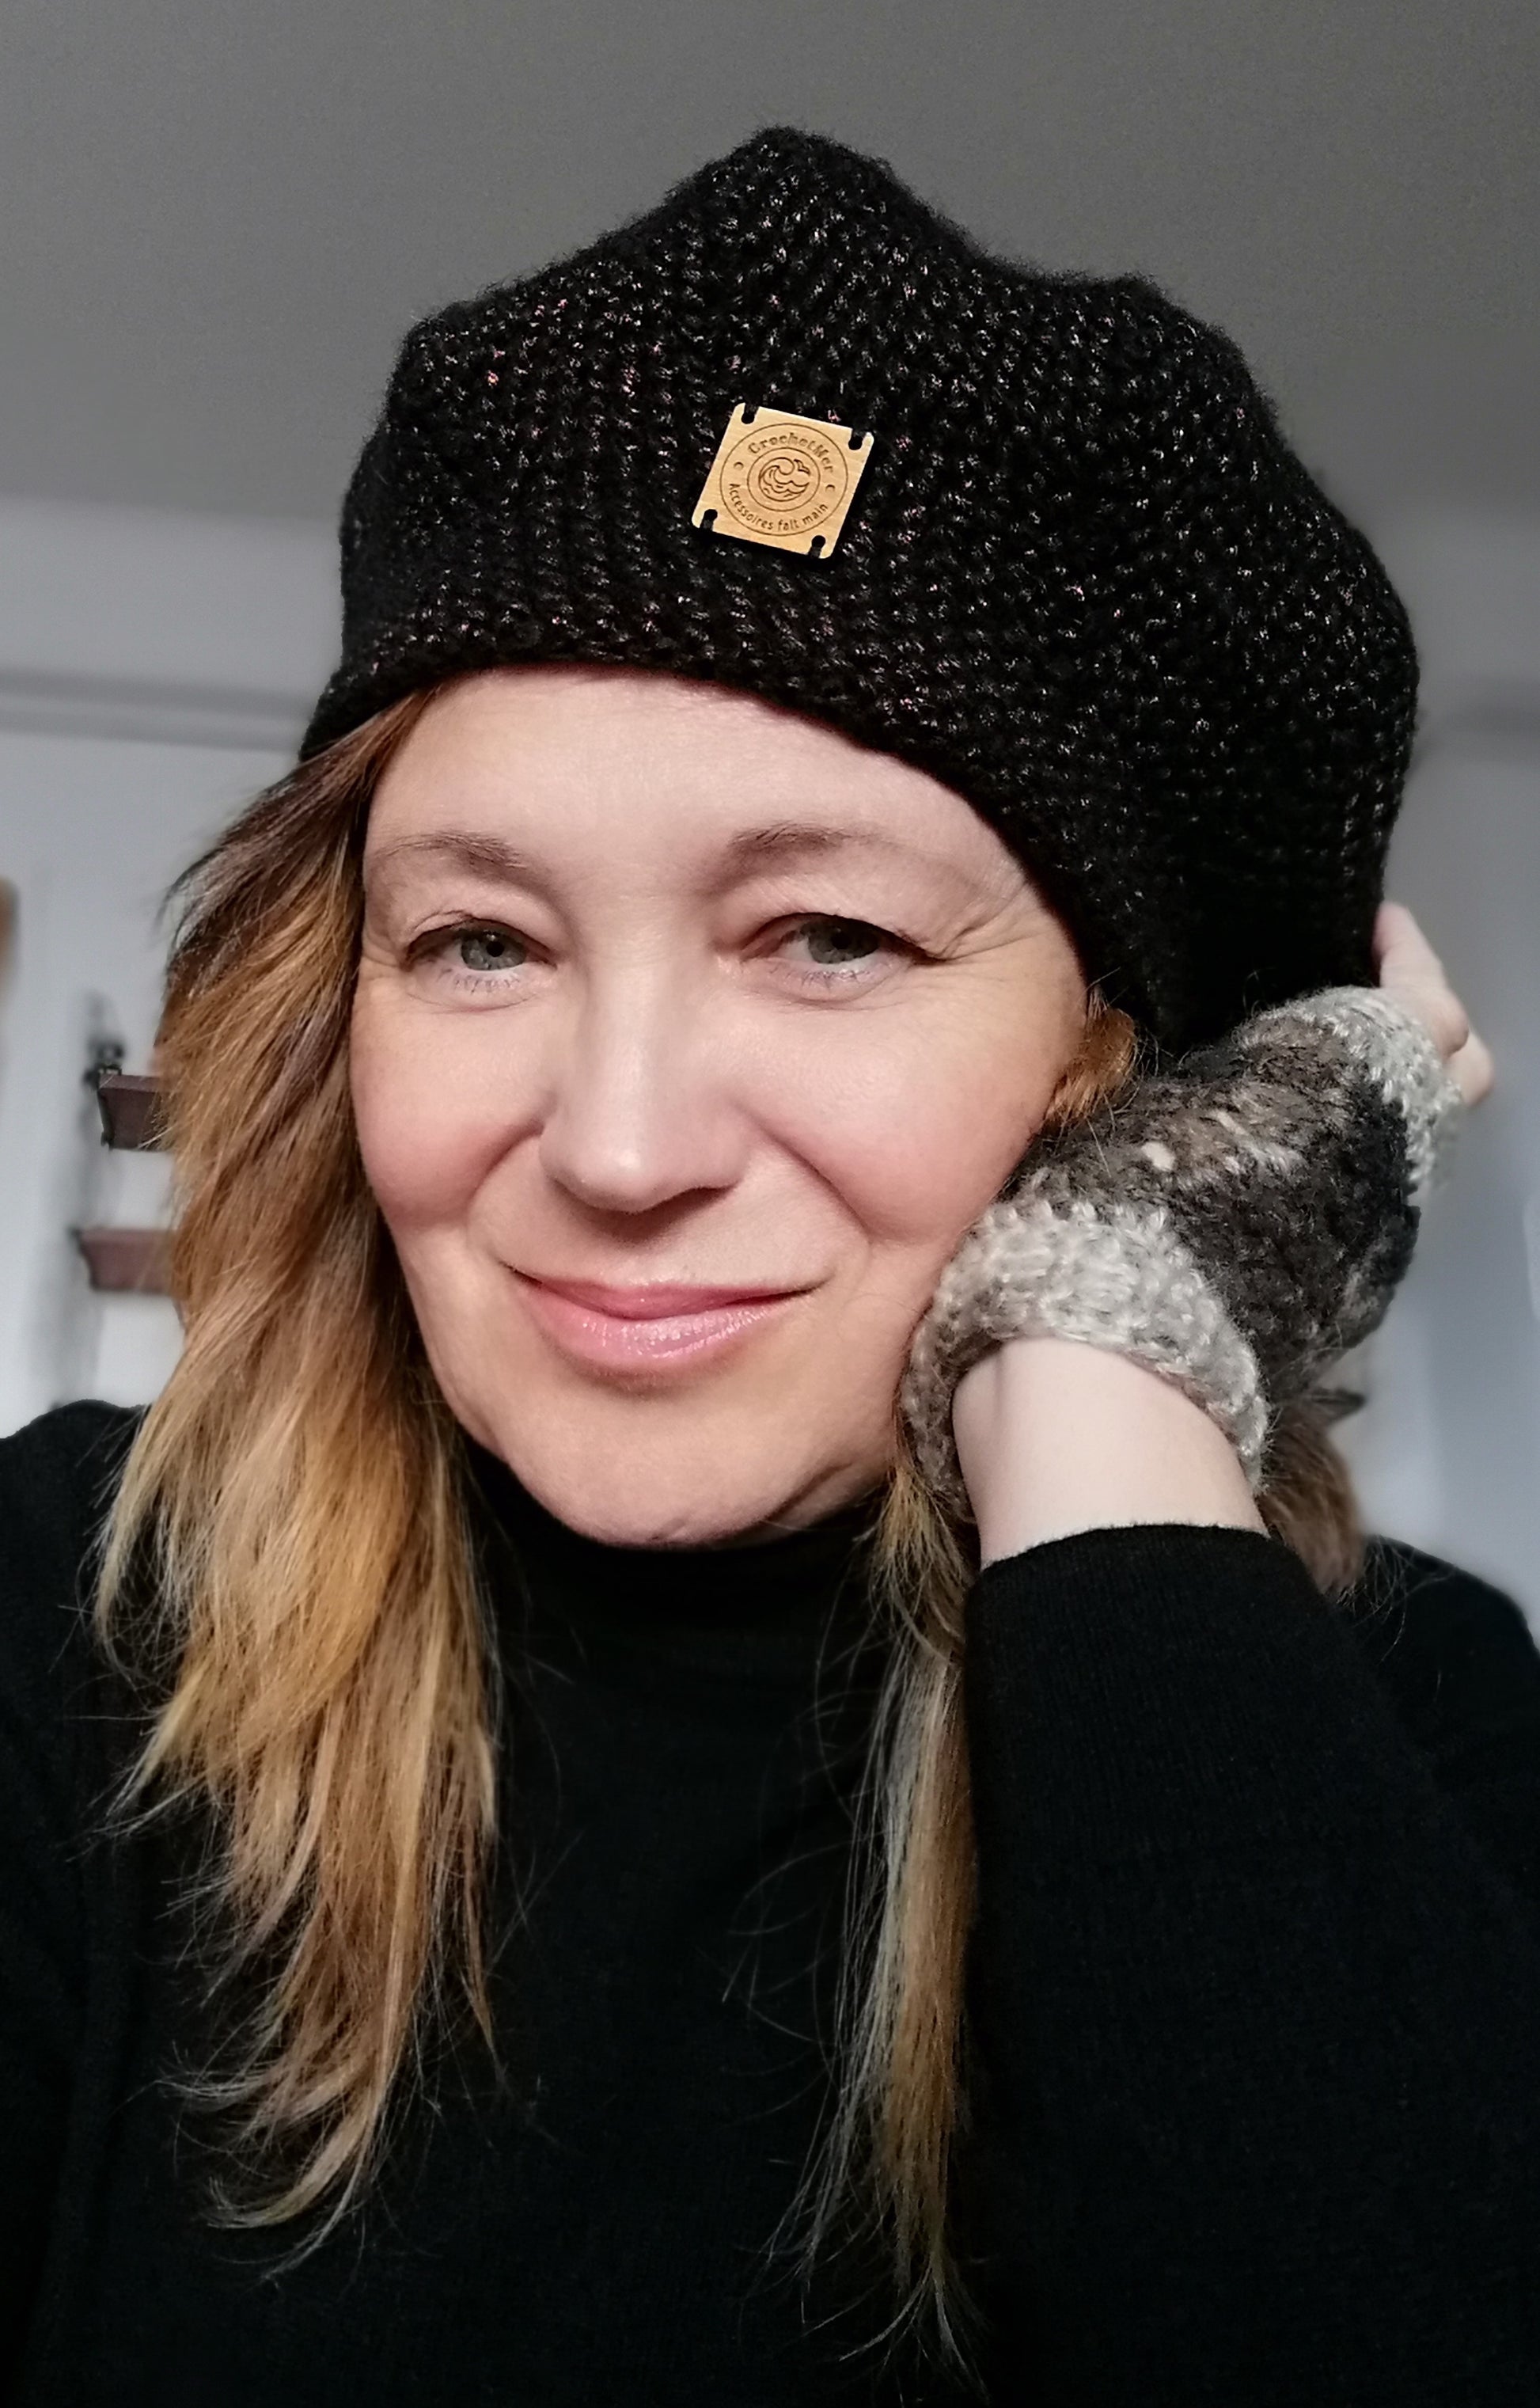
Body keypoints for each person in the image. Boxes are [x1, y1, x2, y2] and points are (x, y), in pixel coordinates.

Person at [1, 126, 1536, 2408]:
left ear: (1130, 1072)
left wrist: (1104, 1358)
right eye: (480, 939)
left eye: (829, 936)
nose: (618, 1147)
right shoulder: (64, 1624)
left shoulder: (1405, 1723)